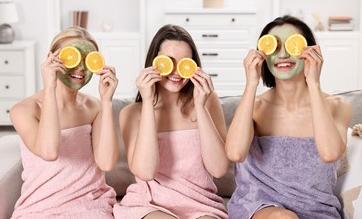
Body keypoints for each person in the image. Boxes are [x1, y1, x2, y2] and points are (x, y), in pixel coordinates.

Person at [225, 15, 352, 219]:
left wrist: (314, 84)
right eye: (273, 47)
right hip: (260, 207)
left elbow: (330, 154)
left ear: (310, 51)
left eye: (292, 45)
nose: (282, 54)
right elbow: (234, 153)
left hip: (318, 211)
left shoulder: (338, 107)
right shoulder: (256, 106)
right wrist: (251, 84)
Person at [113, 24, 229, 219]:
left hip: (201, 205)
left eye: (184, 63)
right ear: (153, 62)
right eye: (168, 61)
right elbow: (145, 172)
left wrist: (200, 106)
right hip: (150, 205)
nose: (176, 71)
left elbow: (218, 169)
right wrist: (148, 102)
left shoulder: (208, 102)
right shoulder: (131, 113)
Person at [10, 26, 119, 218]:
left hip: (91, 207)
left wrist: (107, 102)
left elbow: (107, 162)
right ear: (51, 58)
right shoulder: (24, 110)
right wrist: (49, 89)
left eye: (88, 60)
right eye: (72, 57)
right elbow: (49, 152)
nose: (80, 68)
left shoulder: (95, 108)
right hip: (39, 209)